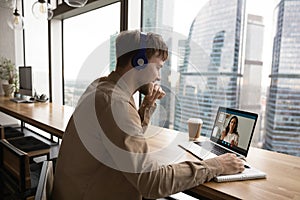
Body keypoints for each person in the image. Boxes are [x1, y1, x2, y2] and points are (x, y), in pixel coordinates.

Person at [52, 30, 244, 200]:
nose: (159, 77)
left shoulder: (102, 87)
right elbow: (152, 182)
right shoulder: (115, 103)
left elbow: (120, 140)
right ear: (140, 62)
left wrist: (147, 106)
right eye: (158, 67)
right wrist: (216, 165)